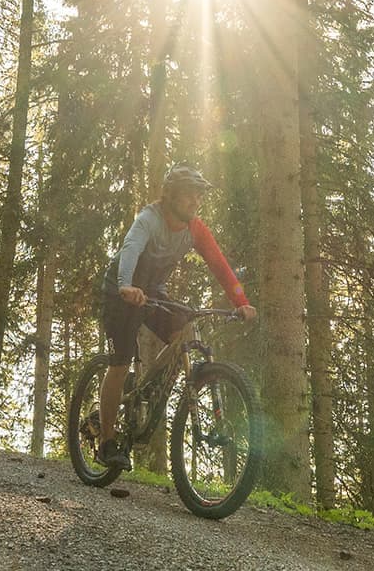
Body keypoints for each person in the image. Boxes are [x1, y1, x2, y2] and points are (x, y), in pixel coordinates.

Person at [95, 164, 255, 468]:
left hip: (152, 292)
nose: (195, 201)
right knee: (121, 362)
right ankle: (106, 441)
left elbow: (220, 266)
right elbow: (129, 250)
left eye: (199, 196)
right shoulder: (149, 220)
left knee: (182, 328)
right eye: (188, 196)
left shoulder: (195, 229)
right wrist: (125, 285)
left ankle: (148, 389)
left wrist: (241, 302)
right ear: (170, 197)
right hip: (121, 292)